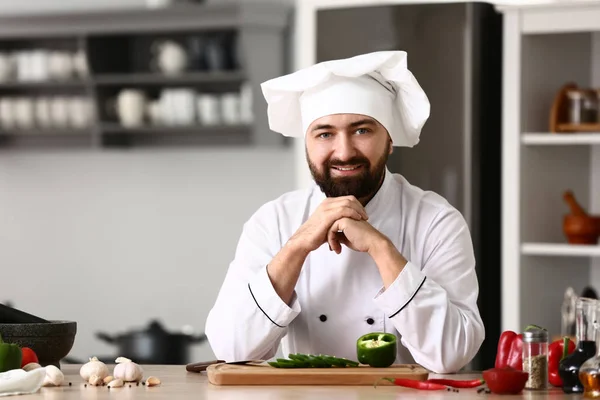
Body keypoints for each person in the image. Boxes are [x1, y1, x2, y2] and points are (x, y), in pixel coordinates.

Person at [204, 51, 484, 374]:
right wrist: (296, 247)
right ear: (307, 143)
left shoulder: (436, 222)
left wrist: (382, 249)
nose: (344, 151)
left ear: (389, 139)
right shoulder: (273, 223)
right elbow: (230, 348)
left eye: (362, 130)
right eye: (325, 134)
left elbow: (453, 354)